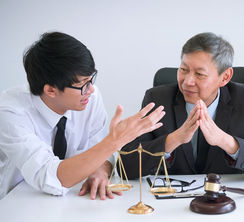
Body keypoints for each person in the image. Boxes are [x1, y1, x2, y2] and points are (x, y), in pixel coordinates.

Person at [0, 32, 165, 200]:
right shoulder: (11, 113)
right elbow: (52, 178)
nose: (91, 90)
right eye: (82, 85)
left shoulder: (89, 98)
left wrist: (101, 169)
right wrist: (116, 140)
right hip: (18, 200)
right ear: (50, 90)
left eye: (90, 79)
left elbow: (99, 149)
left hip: (70, 200)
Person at [120, 32, 244, 179]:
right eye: (183, 69)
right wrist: (174, 139)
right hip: (170, 204)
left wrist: (223, 140)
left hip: (225, 202)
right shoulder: (157, 99)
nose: (187, 82)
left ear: (225, 77)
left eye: (199, 74)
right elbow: (125, 166)